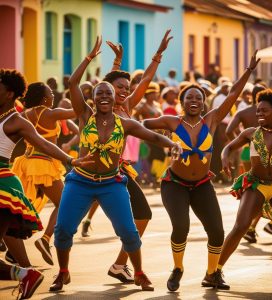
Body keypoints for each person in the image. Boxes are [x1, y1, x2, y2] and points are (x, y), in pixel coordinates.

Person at [50, 36, 181, 293]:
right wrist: (91, 58)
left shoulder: (126, 114)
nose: (121, 92)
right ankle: (64, 271)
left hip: (113, 177)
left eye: (125, 88)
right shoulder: (87, 112)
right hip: (82, 178)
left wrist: (172, 144)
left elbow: (150, 129)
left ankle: (134, 270)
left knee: (131, 229)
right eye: (114, 89)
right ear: (95, 96)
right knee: (63, 230)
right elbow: (86, 84)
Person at [143, 52, 260, 291]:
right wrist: (167, 140)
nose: (193, 100)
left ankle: (212, 273)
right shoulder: (171, 121)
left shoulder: (212, 120)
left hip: (201, 185)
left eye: (198, 97)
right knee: (181, 227)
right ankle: (178, 268)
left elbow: (232, 94)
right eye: (189, 97)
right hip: (174, 184)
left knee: (217, 231)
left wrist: (248, 71)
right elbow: (144, 126)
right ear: (182, 102)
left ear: (204, 102)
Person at [80, 30, 172, 283]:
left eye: (126, 88)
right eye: (119, 87)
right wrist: (117, 64)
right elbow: (106, 86)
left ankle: (120, 264)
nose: (124, 91)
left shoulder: (128, 106)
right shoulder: (102, 107)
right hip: (97, 170)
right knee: (66, 223)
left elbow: (145, 81)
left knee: (142, 215)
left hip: (119, 170)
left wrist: (159, 54)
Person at [0, 68, 91, 299]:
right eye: (50, 92)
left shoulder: (19, 118)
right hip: (32, 166)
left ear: (10, 94)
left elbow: (44, 142)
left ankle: (28, 266)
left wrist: (71, 159)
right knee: (13, 227)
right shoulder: (18, 115)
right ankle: (28, 268)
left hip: (12, 174)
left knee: (28, 215)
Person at [219, 89, 272, 289]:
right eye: (258, 111)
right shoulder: (250, 133)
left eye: (264, 111)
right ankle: (214, 271)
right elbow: (228, 147)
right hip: (256, 185)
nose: (259, 114)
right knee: (240, 226)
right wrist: (224, 158)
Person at [11, 82, 76, 266]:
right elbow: (77, 111)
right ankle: (45, 239)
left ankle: (10, 249)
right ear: (43, 98)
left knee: (23, 206)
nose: (53, 96)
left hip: (26, 163)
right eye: (50, 93)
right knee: (64, 203)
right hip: (42, 164)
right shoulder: (49, 113)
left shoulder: (24, 114)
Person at [226, 84, 272, 243]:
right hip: (264, 152)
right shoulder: (271, 113)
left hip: (248, 152)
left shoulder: (243, 112)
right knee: (263, 187)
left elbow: (228, 131)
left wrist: (242, 142)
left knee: (256, 188)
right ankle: (254, 227)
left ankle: (256, 225)